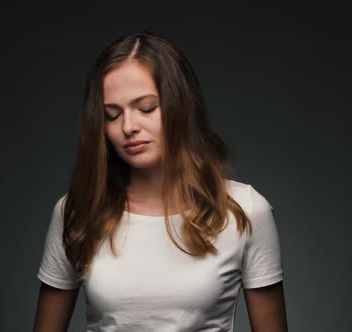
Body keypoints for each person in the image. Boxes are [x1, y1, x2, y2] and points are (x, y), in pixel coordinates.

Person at [33, 31, 288, 332]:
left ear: (181, 106)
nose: (128, 127)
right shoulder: (77, 211)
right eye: (112, 115)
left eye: (146, 108)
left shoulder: (244, 210)